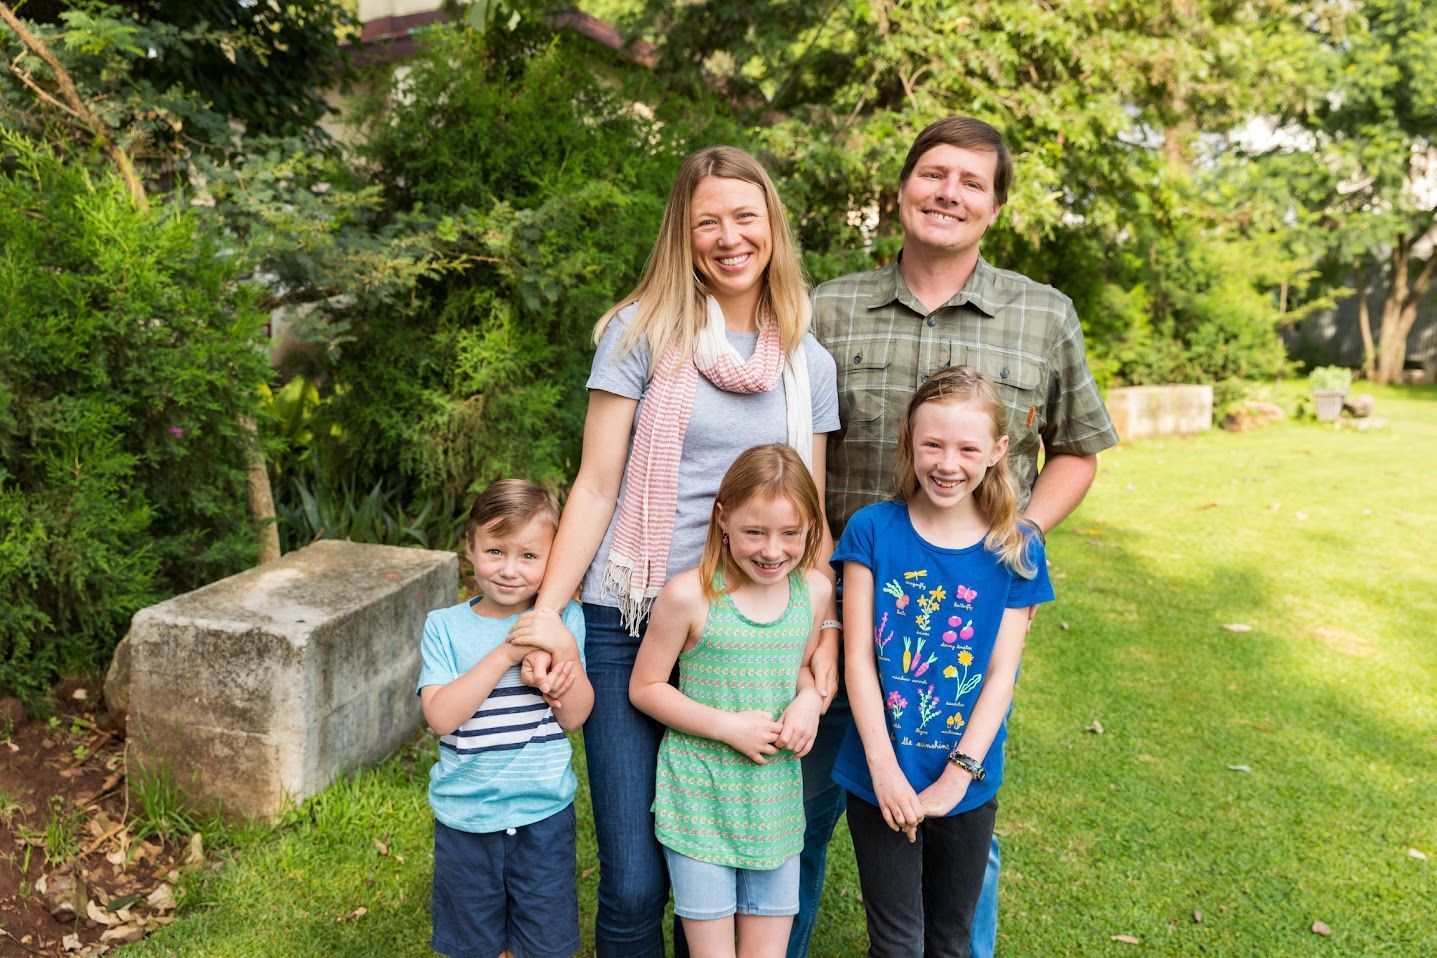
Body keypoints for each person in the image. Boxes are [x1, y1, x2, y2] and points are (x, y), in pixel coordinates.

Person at [793, 116, 1119, 957]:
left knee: (959, 819)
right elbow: (793, 459)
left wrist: (1011, 545)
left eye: (972, 182)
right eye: (933, 174)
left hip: (954, 637)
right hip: (831, 615)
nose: (948, 193)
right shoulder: (827, 309)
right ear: (901, 188)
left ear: (995, 207)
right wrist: (813, 603)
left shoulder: (1042, 315)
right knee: (797, 816)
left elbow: (1078, 450)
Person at [506, 145, 841, 958]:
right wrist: (548, 613)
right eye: (706, 222)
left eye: (745, 217)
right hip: (629, 621)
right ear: (681, 236)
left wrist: (819, 646)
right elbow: (595, 485)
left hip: (742, 633)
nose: (729, 238)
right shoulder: (640, 334)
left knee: (727, 857)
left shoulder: (806, 362)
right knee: (633, 881)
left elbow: (809, 520)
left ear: (772, 227)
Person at [835, 366, 1054, 956]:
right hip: (879, 773)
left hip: (968, 779)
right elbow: (858, 659)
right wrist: (884, 770)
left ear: (998, 452)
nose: (947, 463)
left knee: (950, 941)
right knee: (897, 943)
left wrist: (959, 776)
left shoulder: (1017, 550)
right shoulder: (872, 531)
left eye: (967, 449)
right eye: (932, 444)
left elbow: (1002, 676)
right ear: (909, 442)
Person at [629, 443, 834, 958]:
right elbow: (646, 687)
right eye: (755, 532)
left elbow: (802, 667)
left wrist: (809, 701)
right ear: (723, 518)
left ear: (811, 526)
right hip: (699, 802)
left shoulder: (812, 591)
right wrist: (727, 726)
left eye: (790, 533)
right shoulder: (689, 596)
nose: (772, 551)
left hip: (774, 806)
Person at [417, 479, 594, 958]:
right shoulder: (445, 627)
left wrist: (561, 659)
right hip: (467, 820)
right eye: (495, 551)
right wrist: (506, 654)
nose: (510, 570)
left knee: (543, 944)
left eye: (529, 556)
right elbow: (441, 717)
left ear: (552, 559)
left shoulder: (563, 622)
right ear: (470, 548)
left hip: (543, 816)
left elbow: (576, 716)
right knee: (476, 945)